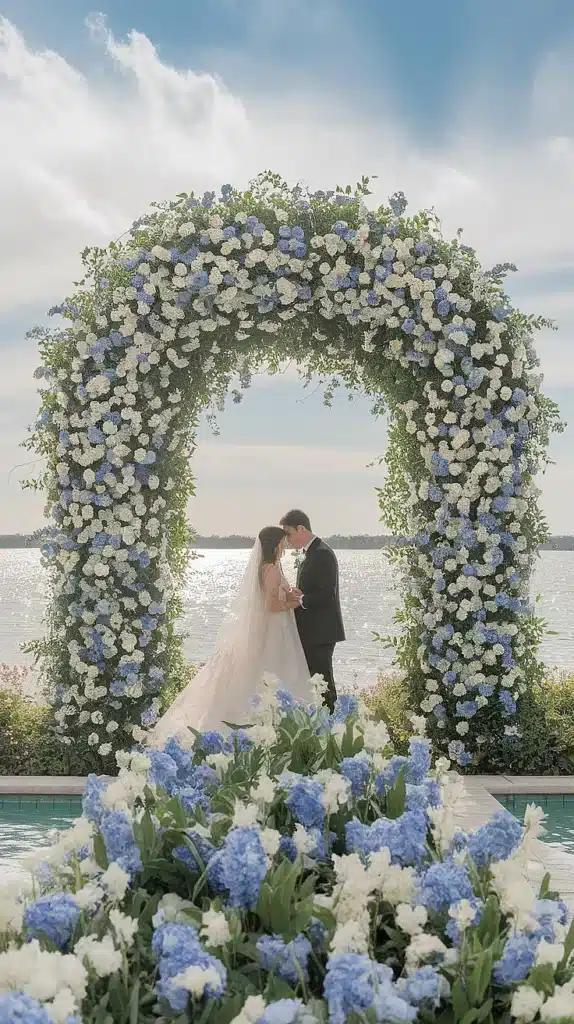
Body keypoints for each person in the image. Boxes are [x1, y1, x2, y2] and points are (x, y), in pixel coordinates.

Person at [149, 526, 310, 745]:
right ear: (275, 545)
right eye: (283, 542)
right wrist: (293, 604)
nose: (285, 546)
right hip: (274, 628)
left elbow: (274, 592)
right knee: (273, 670)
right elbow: (271, 605)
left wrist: (290, 592)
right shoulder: (271, 569)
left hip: (273, 627)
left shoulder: (269, 567)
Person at [279, 509, 345, 712]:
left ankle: (331, 724)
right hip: (314, 632)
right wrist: (302, 593)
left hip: (321, 632)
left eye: (288, 534)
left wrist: (303, 599)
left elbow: (328, 594)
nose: (288, 541)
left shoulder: (322, 553)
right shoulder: (313, 552)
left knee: (322, 682)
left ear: (301, 528)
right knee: (315, 682)